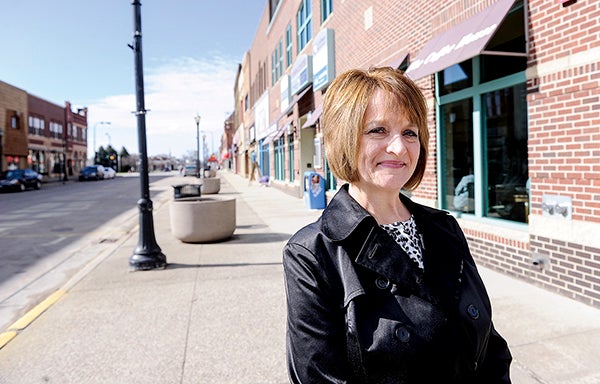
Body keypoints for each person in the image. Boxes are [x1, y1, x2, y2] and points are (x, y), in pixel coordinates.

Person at [282, 67, 512, 383]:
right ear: (344, 137)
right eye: (378, 130)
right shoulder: (312, 253)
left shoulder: (444, 228)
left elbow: (489, 348)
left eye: (410, 132)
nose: (399, 148)